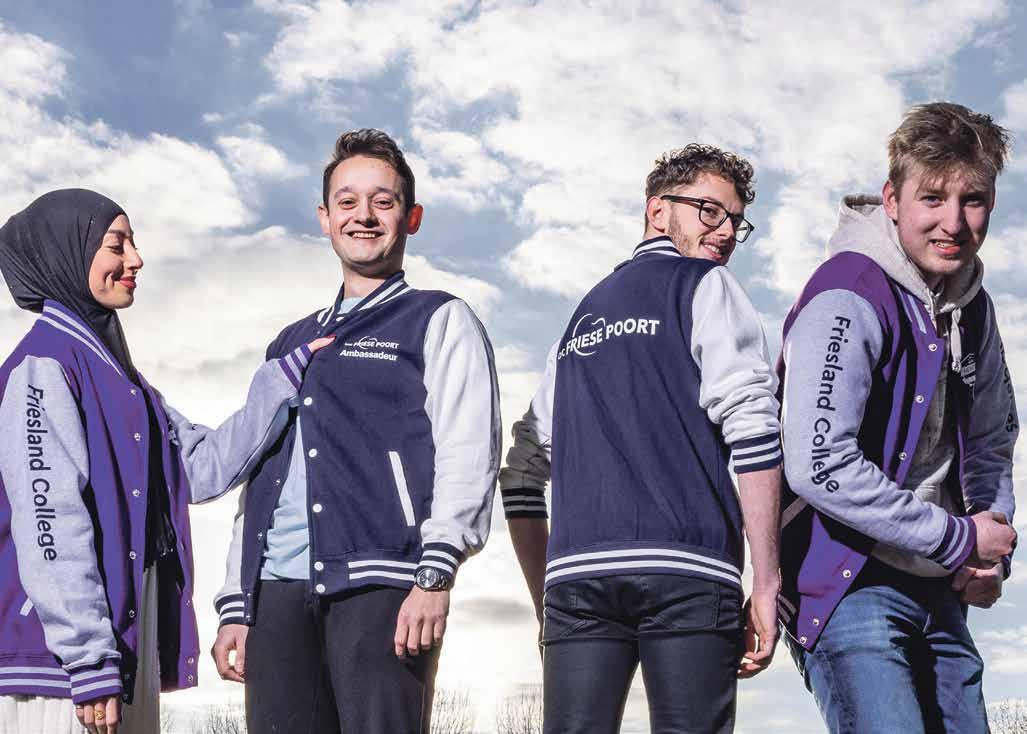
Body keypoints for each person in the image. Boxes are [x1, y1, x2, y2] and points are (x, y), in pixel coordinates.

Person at [0, 189, 330, 734]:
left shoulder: (127, 384)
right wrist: (87, 658)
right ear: (67, 253)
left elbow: (199, 469)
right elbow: (48, 518)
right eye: (117, 245)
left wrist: (278, 383)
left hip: (123, 645)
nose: (136, 259)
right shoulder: (43, 367)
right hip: (60, 664)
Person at [210, 128, 500, 734]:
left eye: (382, 201)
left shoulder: (438, 318)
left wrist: (436, 572)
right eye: (347, 201)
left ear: (411, 217)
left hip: (386, 586)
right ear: (324, 218)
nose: (363, 216)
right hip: (276, 593)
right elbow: (260, 472)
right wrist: (237, 602)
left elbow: (469, 450)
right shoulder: (288, 342)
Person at [500, 144, 783, 734]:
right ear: (657, 210)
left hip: (577, 580)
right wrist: (767, 581)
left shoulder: (582, 317)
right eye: (709, 211)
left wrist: (546, 594)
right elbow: (754, 428)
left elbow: (522, 473)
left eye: (736, 221)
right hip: (688, 569)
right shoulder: (705, 284)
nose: (726, 232)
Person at [777, 102, 1018, 733]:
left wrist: (989, 547)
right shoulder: (848, 291)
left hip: (938, 583)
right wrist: (960, 539)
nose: (953, 222)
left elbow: (993, 438)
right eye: (932, 198)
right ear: (891, 199)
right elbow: (818, 462)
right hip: (848, 580)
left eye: (972, 200)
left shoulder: (974, 308)